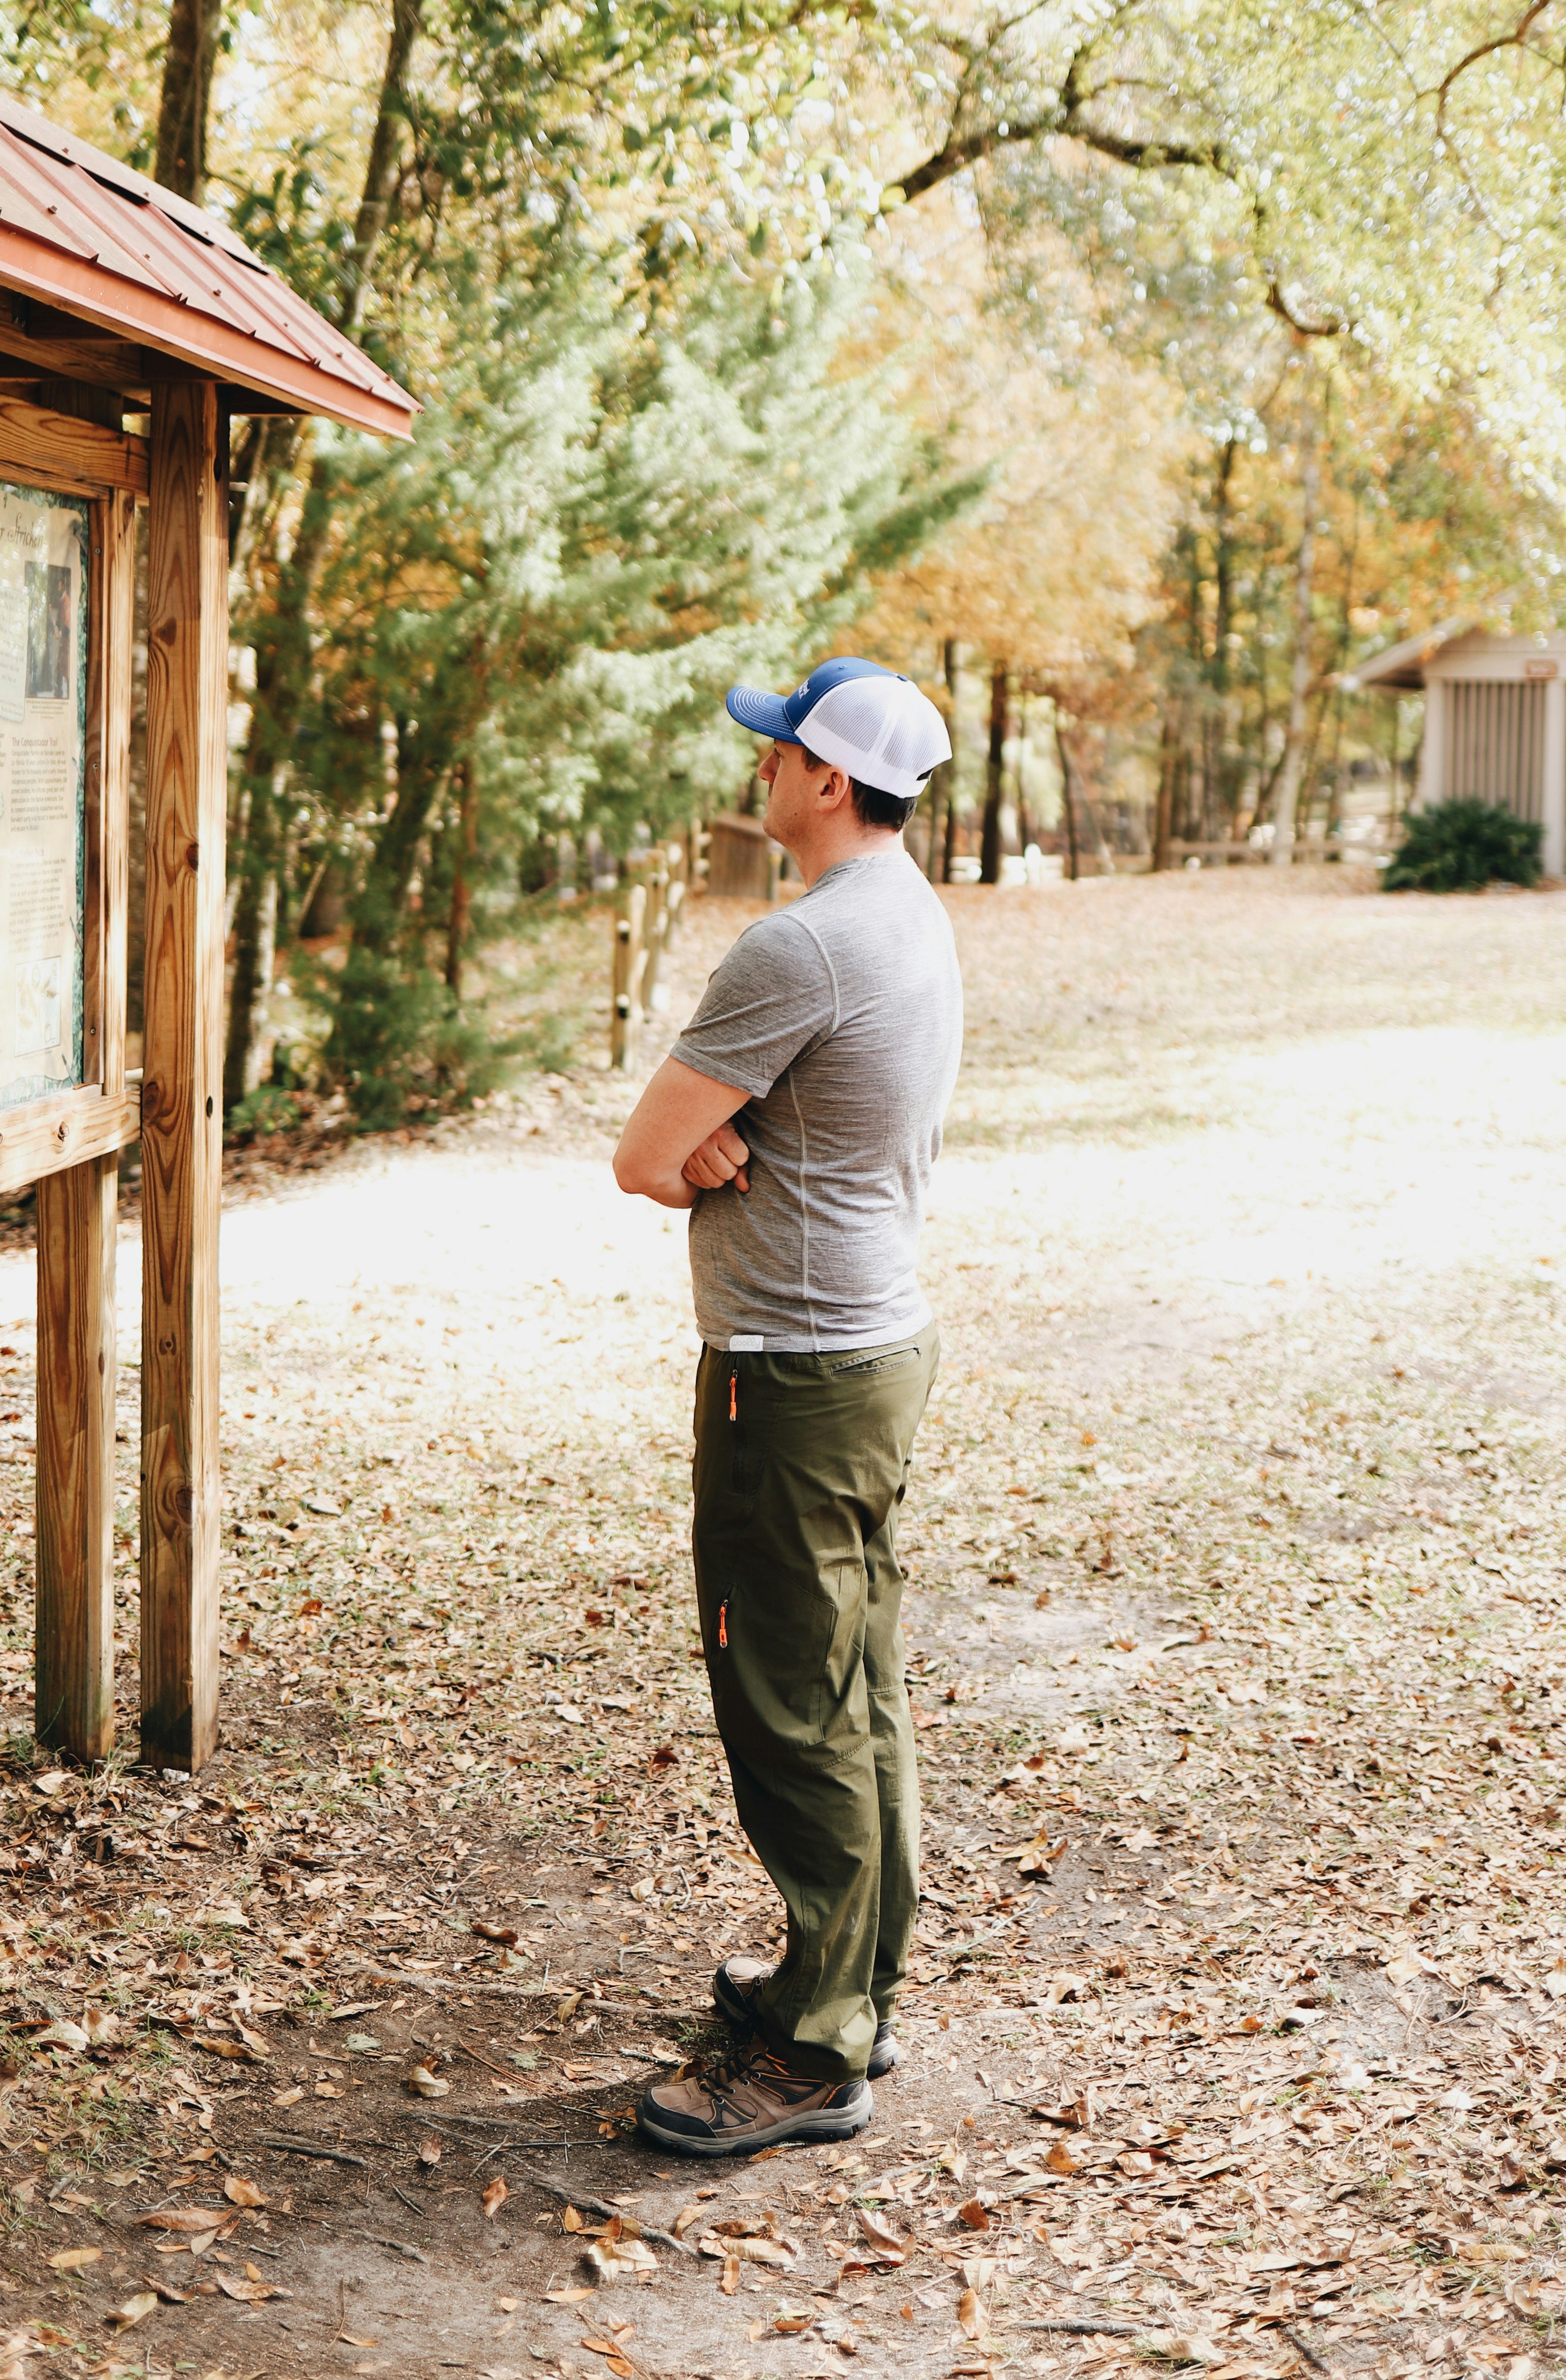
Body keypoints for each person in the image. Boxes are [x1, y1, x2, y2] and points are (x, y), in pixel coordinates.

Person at [613, 657, 961, 2157]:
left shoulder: (800, 947)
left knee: (790, 1702)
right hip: (875, 1346)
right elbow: (712, 1141)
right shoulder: (915, 914)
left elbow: (641, 1152)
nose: (760, 768)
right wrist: (717, 1143)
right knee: (856, 1685)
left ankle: (814, 2057)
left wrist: (702, 1148)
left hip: (793, 1368)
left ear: (830, 781)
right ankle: (847, 1979)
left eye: (779, 752)